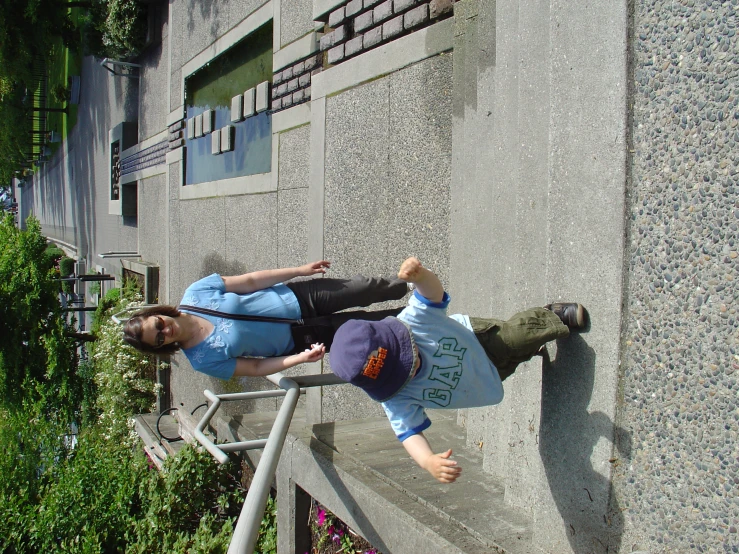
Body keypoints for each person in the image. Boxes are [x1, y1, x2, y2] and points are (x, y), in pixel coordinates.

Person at [325, 256, 588, 484]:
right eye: (401, 376)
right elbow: (408, 433)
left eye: (408, 357)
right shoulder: (395, 399)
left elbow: (432, 294)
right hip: (484, 380)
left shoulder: (414, 320)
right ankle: (535, 342)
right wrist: (428, 460)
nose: (413, 367)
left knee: (515, 336)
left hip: (477, 340)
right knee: (517, 355)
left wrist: (422, 276)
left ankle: (552, 316)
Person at [122, 260, 408, 379]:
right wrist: (300, 359)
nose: (165, 330)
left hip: (297, 298)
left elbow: (249, 281)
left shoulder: (195, 293)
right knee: (369, 328)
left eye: (157, 324)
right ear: (160, 347)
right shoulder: (202, 360)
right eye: (158, 339)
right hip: (299, 340)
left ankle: (409, 285)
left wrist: (299, 270)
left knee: (363, 288)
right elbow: (257, 367)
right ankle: (416, 317)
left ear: (156, 313)